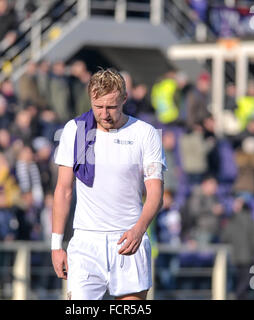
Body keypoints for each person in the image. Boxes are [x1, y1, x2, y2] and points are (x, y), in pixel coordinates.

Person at [51, 68, 166, 300]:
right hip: (86, 242)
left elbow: (155, 193)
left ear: (124, 98)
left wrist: (139, 229)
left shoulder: (146, 134)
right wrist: (56, 245)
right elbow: (63, 190)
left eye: (111, 107)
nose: (104, 114)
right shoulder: (76, 130)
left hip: (129, 239)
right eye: (98, 106)